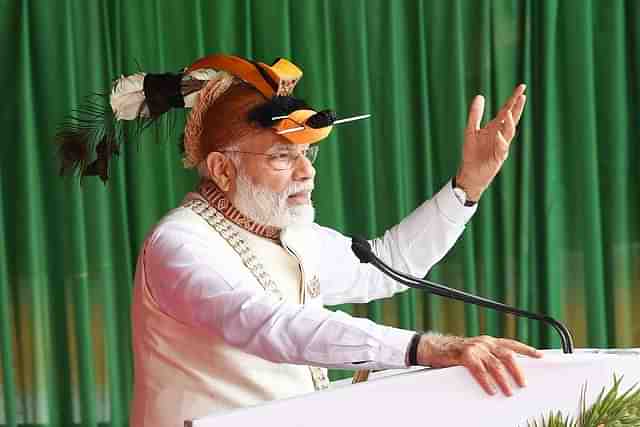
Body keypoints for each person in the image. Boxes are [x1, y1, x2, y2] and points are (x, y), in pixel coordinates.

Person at [57, 54, 542, 427]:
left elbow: (391, 263)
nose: (307, 172)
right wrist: (423, 346)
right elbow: (268, 326)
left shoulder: (293, 235)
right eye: (282, 158)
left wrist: (467, 186)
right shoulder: (178, 245)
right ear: (224, 168)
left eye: (307, 155)